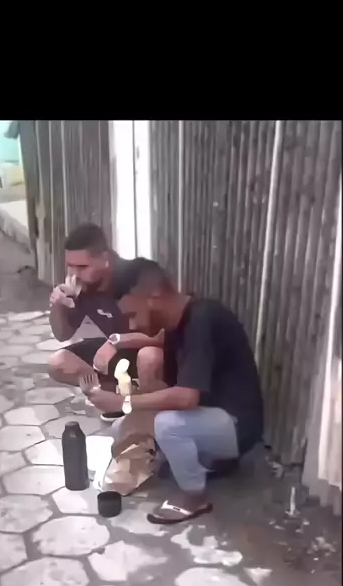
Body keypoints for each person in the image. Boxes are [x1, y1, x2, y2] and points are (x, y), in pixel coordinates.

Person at [84, 258, 264, 524]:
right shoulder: (174, 329)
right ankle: (216, 462)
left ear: (155, 296)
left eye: (132, 315)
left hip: (239, 426)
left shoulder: (203, 319)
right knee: (122, 430)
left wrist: (123, 401)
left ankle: (194, 496)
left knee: (168, 426)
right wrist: (129, 411)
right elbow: (169, 391)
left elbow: (187, 398)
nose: (131, 326)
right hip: (212, 416)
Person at [48, 223, 163, 421]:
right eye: (70, 266)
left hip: (151, 350)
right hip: (117, 352)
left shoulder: (138, 276)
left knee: (149, 356)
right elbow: (62, 335)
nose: (74, 274)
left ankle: (147, 413)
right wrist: (57, 305)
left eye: (82, 267)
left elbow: (163, 335)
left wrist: (116, 341)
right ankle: (117, 396)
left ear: (105, 259)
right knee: (58, 363)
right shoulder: (82, 286)